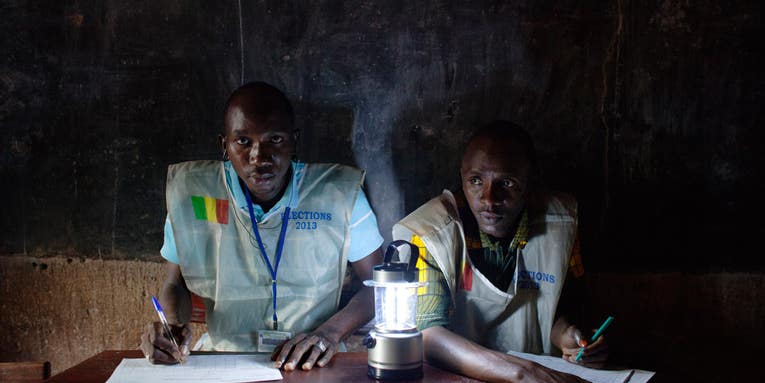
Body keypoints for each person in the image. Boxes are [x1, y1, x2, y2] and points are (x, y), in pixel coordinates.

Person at [140, 82, 384, 371]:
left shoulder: (340, 196)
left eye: (275, 139)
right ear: (224, 145)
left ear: (294, 142)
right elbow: (174, 284)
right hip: (225, 358)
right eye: (243, 141)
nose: (259, 157)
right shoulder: (193, 196)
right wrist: (172, 326)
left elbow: (378, 288)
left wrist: (328, 334)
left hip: (313, 361)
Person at [392, 121, 607, 383]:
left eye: (506, 182)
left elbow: (554, 308)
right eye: (475, 181)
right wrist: (524, 373)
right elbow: (429, 338)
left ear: (530, 183)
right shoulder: (429, 233)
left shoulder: (560, 223)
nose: (488, 199)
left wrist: (568, 336)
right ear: (461, 177)